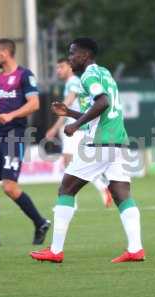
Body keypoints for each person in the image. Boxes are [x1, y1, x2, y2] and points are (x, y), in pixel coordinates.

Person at [31, 38, 145, 263]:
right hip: (118, 142)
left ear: (85, 55)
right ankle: (135, 249)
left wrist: (73, 124)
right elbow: (102, 109)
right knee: (121, 194)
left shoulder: (88, 75)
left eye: (72, 54)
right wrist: (71, 114)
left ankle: (55, 251)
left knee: (66, 189)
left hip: (99, 144)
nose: (70, 58)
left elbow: (101, 102)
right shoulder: (105, 73)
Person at [0, 38, 50, 248]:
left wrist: (11, 116)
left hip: (15, 135)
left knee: (9, 187)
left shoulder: (25, 75)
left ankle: (40, 222)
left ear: (5, 53)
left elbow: (34, 104)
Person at [46, 58, 112, 208]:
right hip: (79, 128)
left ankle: (70, 202)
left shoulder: (73, 81)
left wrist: (54, 128)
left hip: (77, 130)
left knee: (70, 165)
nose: (58, 71)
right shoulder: (72, 82)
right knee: (79, 165)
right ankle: (102, 188)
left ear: (69, 67)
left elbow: (66, 106)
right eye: (57, 68)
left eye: (61, 67)